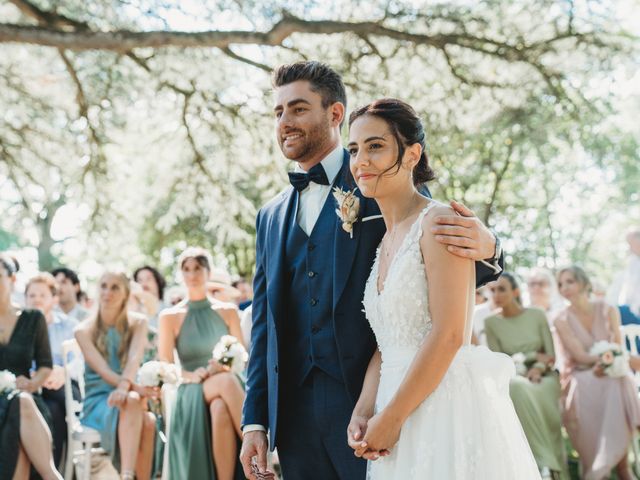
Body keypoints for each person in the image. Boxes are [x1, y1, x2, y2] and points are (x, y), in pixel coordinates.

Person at [240, 61, 505, 480]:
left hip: (376, 400)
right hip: (293, 418)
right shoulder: (269, 216)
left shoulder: (384, 177)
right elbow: (263, 325)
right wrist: (255, 419)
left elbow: (439, 254)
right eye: (278, 112)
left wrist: (492, 248)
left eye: (298, 109)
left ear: (335, 114)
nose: (285, 122)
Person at [343, 98, 537, 479]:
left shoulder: (440, 222)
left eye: (375, 146)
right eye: (354, 149)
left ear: (412, 153)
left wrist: (393, 418)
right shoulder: (384, 241)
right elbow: (389, 341)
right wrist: (365, 409)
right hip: (391, 407)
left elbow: (450, 334)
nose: (360, 160)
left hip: (440, 407)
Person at [159, 247, 246, 480]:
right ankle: (260, 464)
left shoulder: (228, 312)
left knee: (220, 407)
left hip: (226, 378)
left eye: (198, 268)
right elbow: (165, 366)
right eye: (186, 269)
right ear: (180, 275)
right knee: (226, 383)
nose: (192, 274)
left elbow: (242, 354)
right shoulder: (170, 316)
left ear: (208, 271)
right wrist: (191, 375)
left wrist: (225, 365)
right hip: (191, 387)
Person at [553, 266, 640, 480]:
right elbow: (580, 356)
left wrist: (610, 362)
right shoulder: (560, 319)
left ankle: (621, 467)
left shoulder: (608, 309)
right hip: (580, 374)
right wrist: (605, 360)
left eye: (570, 281)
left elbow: (617, 346)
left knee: (617, 382)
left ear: (584, 283)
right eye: (560, 284)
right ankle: (601, 468)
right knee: (595, 385)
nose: (564, 288)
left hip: (611, 372)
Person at [75, 271, 156, 480]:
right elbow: (102, 370)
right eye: (103, 286)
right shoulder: (83, 330)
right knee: (134, 401)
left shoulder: (138, 323)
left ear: (126, 293)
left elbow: (134, 359)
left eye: (114, 287)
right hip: (99, 399)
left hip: (128, 392)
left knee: (148, 421)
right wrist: (130, 387)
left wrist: (125, 387)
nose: (107, 292)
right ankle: (127, 476)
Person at [485, 273, 567, 478]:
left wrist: (538, 367)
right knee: (516, 387)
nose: (496, 294)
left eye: (501, 289)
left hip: (545, 377)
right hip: (515, 377)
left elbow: (550, 355)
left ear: (516, 292)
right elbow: (499, 362)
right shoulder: (491, 323)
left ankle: (550, 466)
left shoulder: (537, 315)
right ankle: (543, 463)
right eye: (492, 290)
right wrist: (528, 357)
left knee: (524, 389)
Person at [0, 254, 62, 480]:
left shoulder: (33, 318)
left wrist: (33, 383)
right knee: (17, 417)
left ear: (12, 279)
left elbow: (45, 365)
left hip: (27, 398)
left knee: (22, 403)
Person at [24, 272, 79, 469]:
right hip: (32, 388)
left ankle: (54, 470)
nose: (37, 299)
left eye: (42, 295)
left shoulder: (70, 326)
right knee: (52, 410)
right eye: (32, 295)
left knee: (56, 409)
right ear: (25, 299)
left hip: (62, 385)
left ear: (54, 299)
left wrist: (63, 372)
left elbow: (79, 360)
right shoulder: (19, 327)